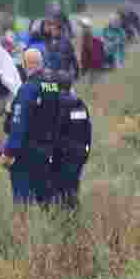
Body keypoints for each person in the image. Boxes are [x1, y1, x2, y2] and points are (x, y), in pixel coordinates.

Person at [1, 49, 61, 205]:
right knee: (47, 198)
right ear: (41, 63)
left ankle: (23, 227)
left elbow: (19, 122)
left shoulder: (28, 88)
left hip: (27, 151)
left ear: (25, 64)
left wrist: (9, 151)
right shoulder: (54, 85)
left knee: (22, 200)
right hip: (51, 148)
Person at [51, 73, 91, 210]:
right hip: (78, 153)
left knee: (60, 192)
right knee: (73, 188)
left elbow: (53, 132)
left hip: (61, 155)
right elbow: (87, 131)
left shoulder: (55, 104)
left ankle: (65, 222)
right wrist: (86, 151)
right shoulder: (79, 104)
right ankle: (73, 219)